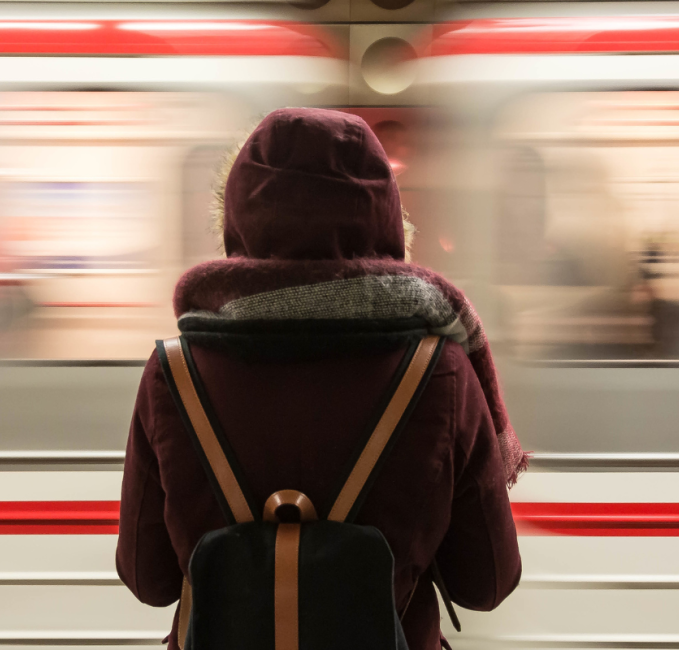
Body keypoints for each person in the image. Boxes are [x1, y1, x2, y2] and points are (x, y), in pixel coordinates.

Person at [116, 108, 526, 650]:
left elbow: (149, 581)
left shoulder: (174, 373)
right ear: (385, 219)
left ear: (237, 219)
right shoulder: (442, 371)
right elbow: (486, 583)